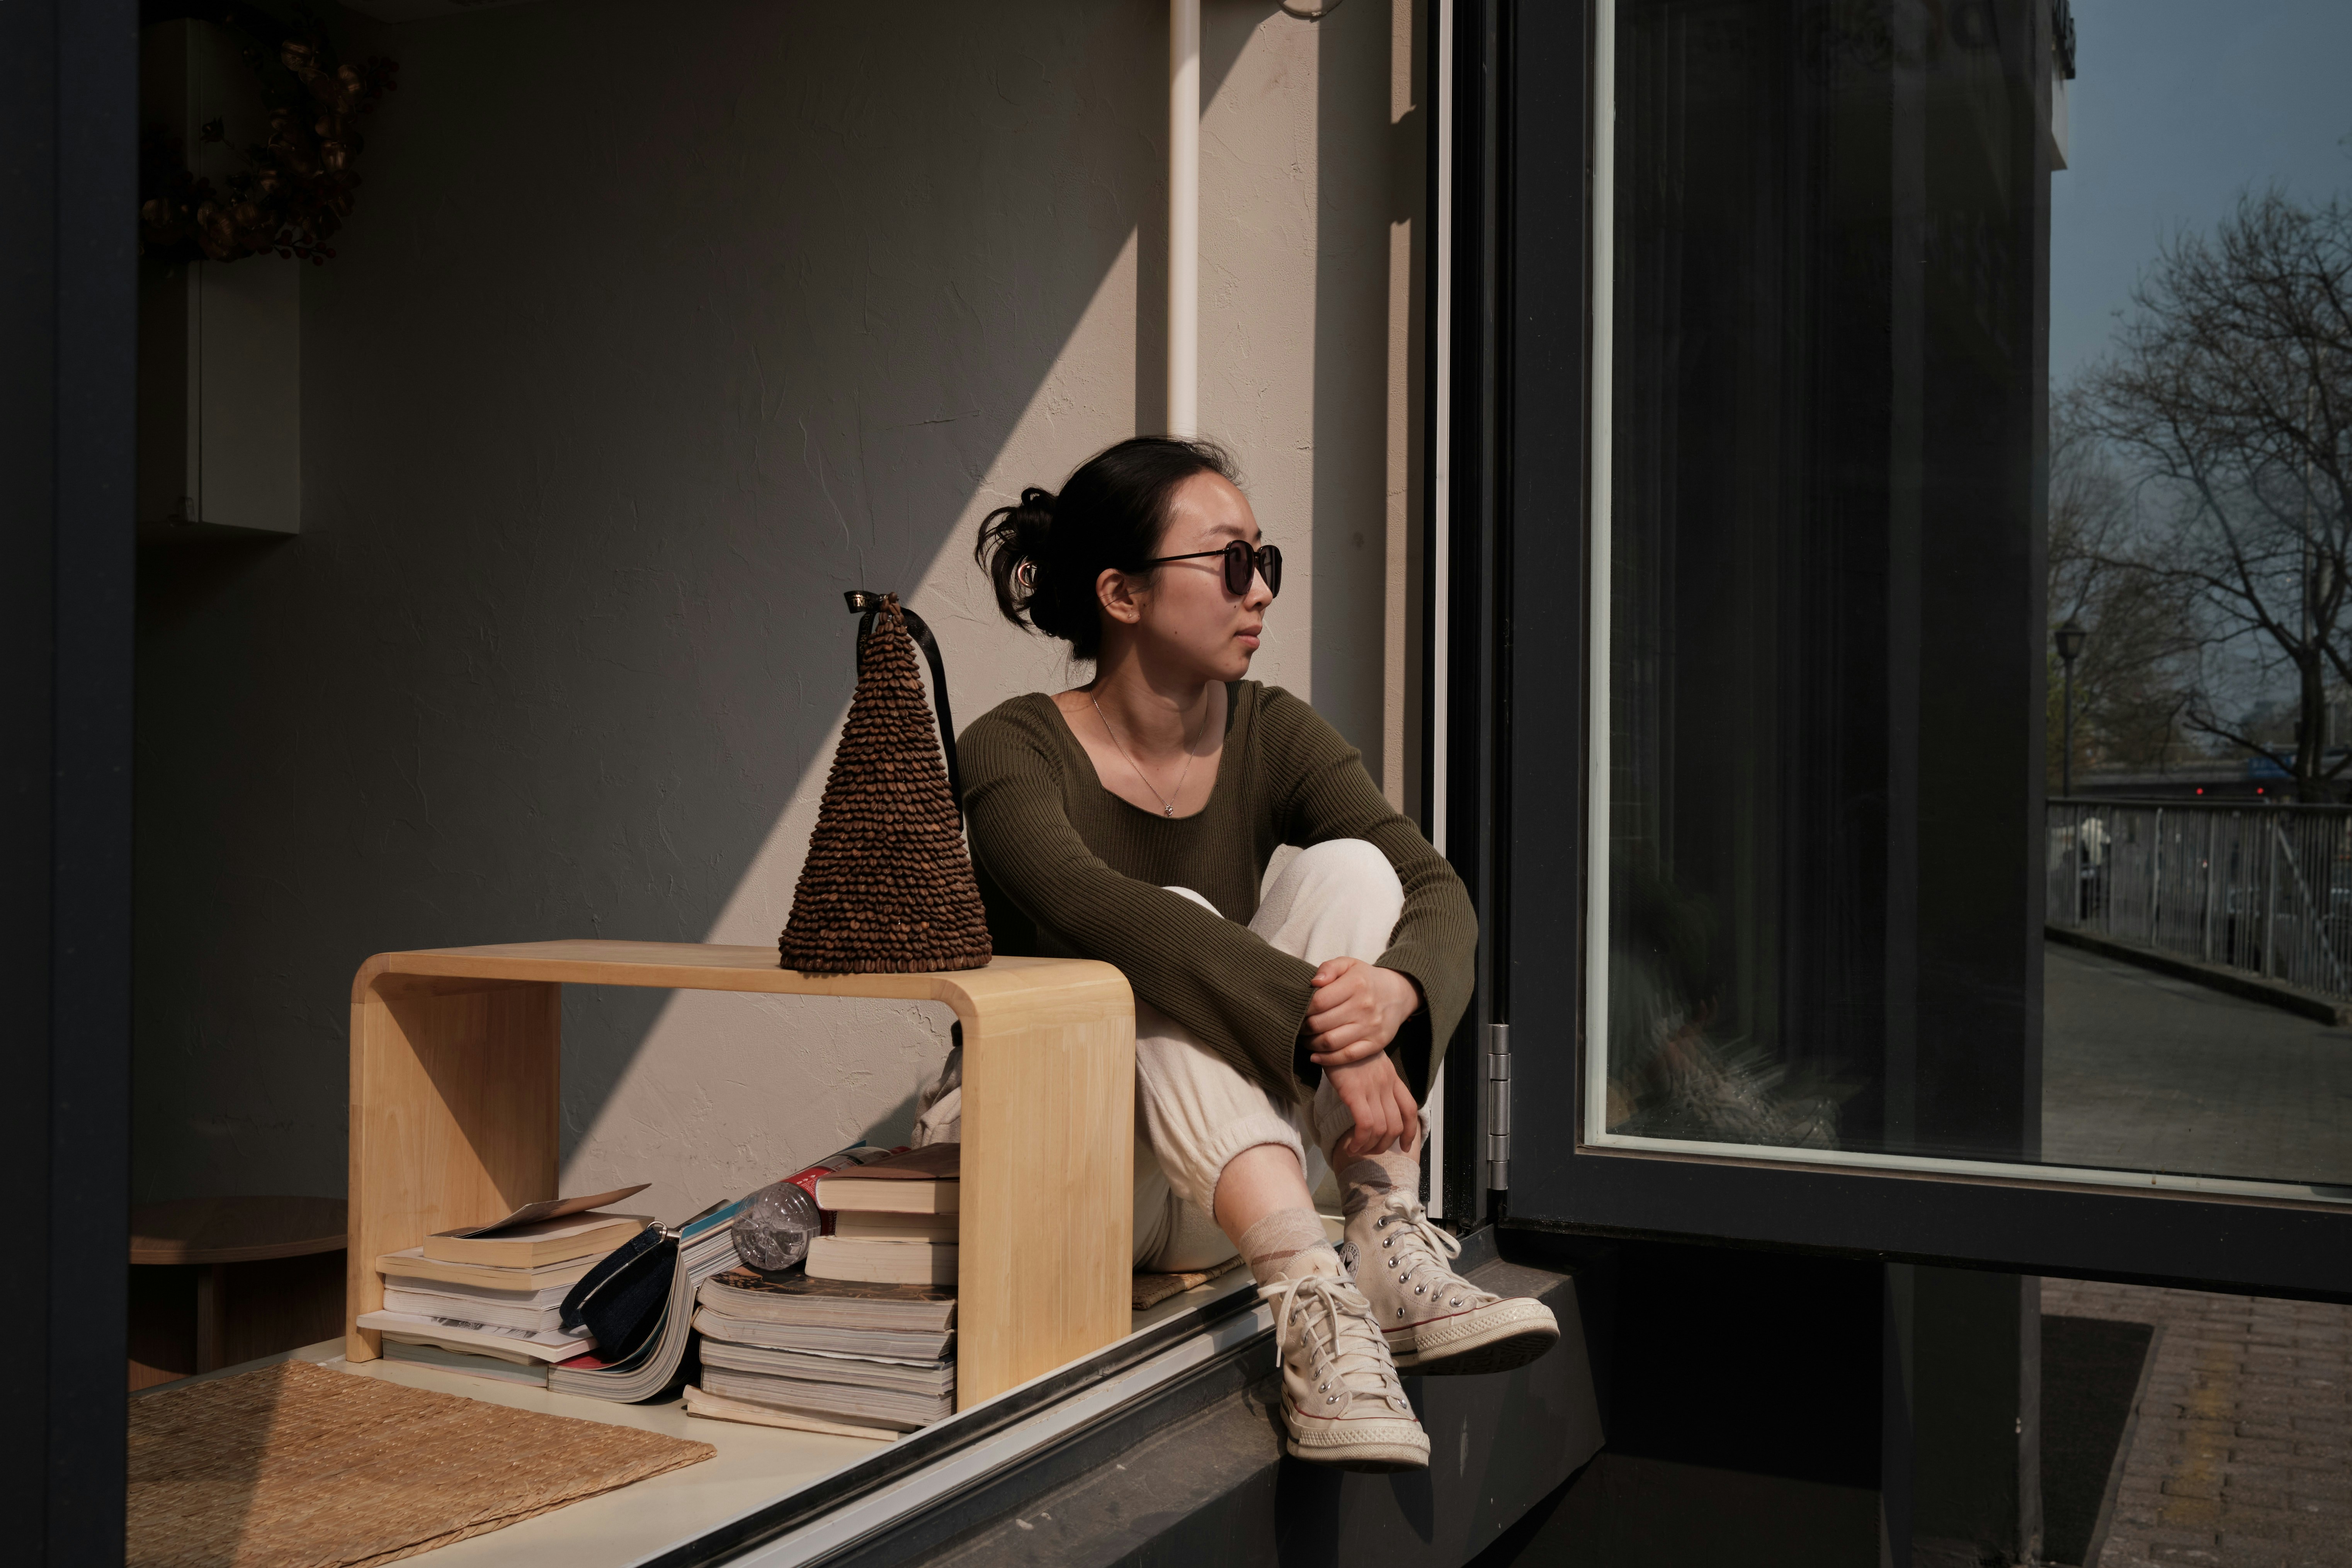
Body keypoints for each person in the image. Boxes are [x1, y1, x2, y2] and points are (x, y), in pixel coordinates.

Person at [959, 436, 1558, 1472]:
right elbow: (1089, 905)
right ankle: (1306, 1297)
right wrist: (1336, 1047)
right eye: (1233, 563)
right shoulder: (1010, 750)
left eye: (1267, 560)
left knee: (1358, 875)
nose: (1264, 591)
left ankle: (1375, 1237)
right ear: (1122, 593)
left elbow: (1435, 892)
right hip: (1062, 1182)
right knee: (1141, 944)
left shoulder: (1272, 730)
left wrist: (1395, 995)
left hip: (1225, 1178)